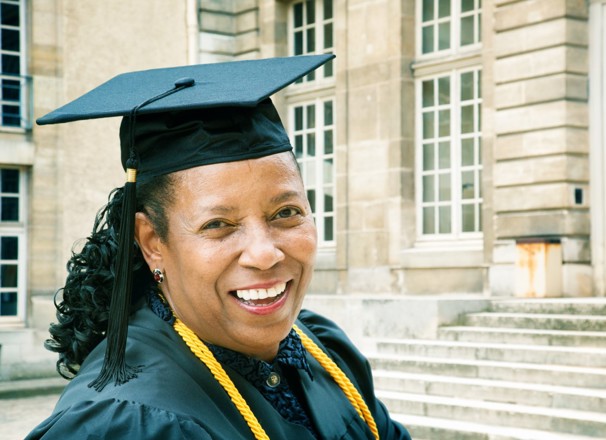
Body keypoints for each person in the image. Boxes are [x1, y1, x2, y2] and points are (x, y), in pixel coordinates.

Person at [26, 55, 411, 439]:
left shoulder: (322, 349)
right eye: (218, 225)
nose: (264, 253)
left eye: (286, 212)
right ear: (152, 242)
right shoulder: (127, 422)